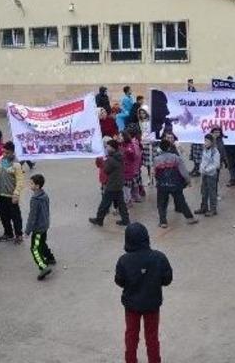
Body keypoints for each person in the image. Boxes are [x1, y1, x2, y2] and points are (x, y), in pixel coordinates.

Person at [115, 223, 172, 363]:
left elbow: (119, 281)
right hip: (152, 304)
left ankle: (131, 360)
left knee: (131, 336)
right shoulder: (159, 257)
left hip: (131, 306)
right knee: (152, 337)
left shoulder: (123, 260)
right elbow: (167, 279)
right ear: (146, 237)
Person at [152, 140, 199, 229]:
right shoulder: (175, 158)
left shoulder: (156, 159)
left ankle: (163, 222)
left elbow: (154, 173)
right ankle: (190, 218)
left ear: (160, 148)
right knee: (181, 201)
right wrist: (188, 181)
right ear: (169, 147)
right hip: (175, 184)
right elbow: (183, 171)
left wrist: (156, 182)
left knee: (161, 204)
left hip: (162, 185)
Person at [90, 140, 131, 226]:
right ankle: (125, 219)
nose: (106, 148)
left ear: (112, 148)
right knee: (121, 203)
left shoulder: (111, 159)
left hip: (112, 184)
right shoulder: (120, 156)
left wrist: (103, 161)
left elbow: (106, 170)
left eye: (108, 146)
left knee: (104, 203)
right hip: (119, 183)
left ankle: (99, 219)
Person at [25, 174, 55, 281]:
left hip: (38, 228)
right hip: (45, 224)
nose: (30, 185)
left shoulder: (35, 199)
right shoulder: (44, 195)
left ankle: (43, 267)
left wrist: (27, 231)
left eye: (32, 183)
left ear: (37, 186)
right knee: (42, 242)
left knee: (35, 248)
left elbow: (32, 216)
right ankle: (50, 257)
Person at [0, 141, 25, 244]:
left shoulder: (16, 164)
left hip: (11, 195)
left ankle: (19, 235)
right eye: (3, 152)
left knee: (15, 216)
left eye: (7, 153)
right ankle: (8, 233)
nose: (4, 154)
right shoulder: (0, 159)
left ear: (12, 152)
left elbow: (20, 181)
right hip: (1, 193)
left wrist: (16, 194)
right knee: (3, 216)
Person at [195, 134, 220, 216]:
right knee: (204, 191)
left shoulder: (215, 152)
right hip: (204, 174)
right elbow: (203, 160)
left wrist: (208, 169)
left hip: (211, 175)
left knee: (212, 192)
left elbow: (216, 164)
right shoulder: (204, 150)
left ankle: (213, 209)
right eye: (205, 140)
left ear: (212, 142)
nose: (205, 142)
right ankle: (204, 207)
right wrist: (201, 168)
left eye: (207, 141)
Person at [138, 106, 156, 186]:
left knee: (155, 162)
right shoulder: (140, 122)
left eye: (144, 113)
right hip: (145, 143)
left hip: (152, 143)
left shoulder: (152, 121)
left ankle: (156, 178)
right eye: (141, 113)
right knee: (148, 163)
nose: (142, 114)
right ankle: (150, 178)